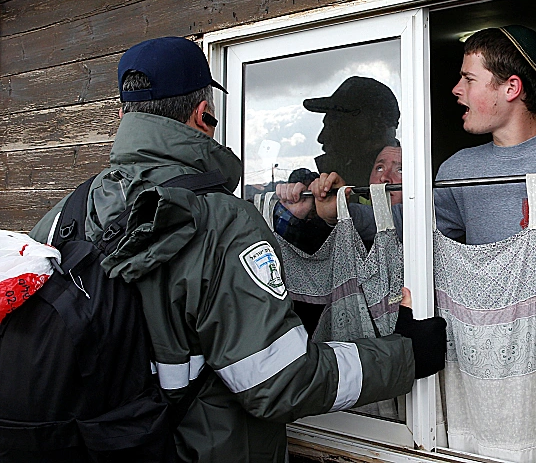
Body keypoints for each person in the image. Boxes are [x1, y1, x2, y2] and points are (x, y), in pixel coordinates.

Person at [27, 37, 445, 463]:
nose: (322, 134)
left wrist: (307, 228)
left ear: (123, 116)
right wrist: (406, 355)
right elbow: (280, 382)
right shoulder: (221, 222)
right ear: (203, 115)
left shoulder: (63, 216)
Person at [310, 26, 536, 393]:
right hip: (482, 381)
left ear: (511, 88)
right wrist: (339, 212)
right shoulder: (459, 171)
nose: (456, 89)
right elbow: (407, 230)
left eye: (469, 79)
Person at [272, 144, 403, 254]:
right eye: (379, 168)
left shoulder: (412, 225)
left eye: (400, 170)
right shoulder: (329, 230)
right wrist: (296, 215)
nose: (384, 178)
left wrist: (343, 212)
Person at [305, 76, 400, 188]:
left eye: (334, 127)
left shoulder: (408, 184)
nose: (321, 138)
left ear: (371, 128)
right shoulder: (333, 176)